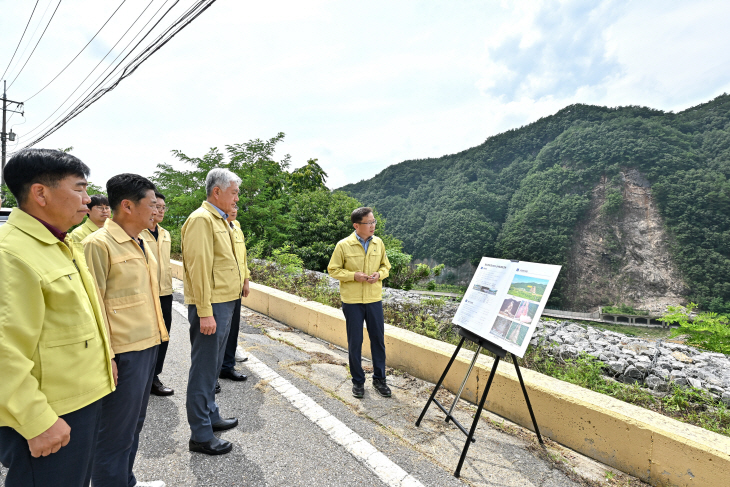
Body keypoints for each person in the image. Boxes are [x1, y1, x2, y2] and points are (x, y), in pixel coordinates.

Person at [0, 149, 116, 487]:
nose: (88, 198)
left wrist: (105, 358)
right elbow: (4, 349)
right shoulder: (12, 254)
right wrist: (37, 420)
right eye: (79, 188)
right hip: (52, 412)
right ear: (40, 193)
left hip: (81, 398)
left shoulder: (59, 242)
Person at [83, 174, 169, 487]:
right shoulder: (98, 244)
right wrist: (107, 357)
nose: (156, 210)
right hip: (123, 351)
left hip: (147, 344)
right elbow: (93, 308)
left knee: (134, 425)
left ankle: (125, 481)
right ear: (128, 206)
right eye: (151, 204)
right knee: (114, 433)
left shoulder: (142, 240)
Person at [181, 168, 243, 456]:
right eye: (234, 192)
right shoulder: (201, 220)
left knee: (214, 366)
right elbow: (199, 269)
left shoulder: (220, 220)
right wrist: (204, 311)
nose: (237, 197)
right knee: (204, 369)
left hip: (225, 301)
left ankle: (211, 415)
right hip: (212, 305)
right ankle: (201, 434)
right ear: (216, 191)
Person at [327, 207, 392, 399]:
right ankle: (358, 381)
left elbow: (386, 266)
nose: (372, 226)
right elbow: (333, 269)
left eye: (374, 222)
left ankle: (380, 379)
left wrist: (379, 274)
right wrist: (353, 276)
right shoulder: (343, 245)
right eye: (368, 223)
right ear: (357, 225)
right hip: (352, 301)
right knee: (355, 342)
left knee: (378, 341)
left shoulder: (378, 243)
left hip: (373, 300)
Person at [141, 192, 175, 397]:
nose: (160, 211)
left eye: (163, 208)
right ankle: (143, 377)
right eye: (157, 207)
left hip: (166, 292)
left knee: (164, 336)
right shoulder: (138, 233)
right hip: (147, 293)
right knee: (147, 336)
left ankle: (154, 377)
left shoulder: (165, 233)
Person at [219, 204, 251, 383]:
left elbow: (243, 258)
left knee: (232, 330)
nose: (234, 209)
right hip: (221, 289)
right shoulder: (216, 227)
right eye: (230, 206)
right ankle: (211, 375)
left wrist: (246, 281)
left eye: (236, 207)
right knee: (218, 334)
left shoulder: (237, 228)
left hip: (236, 288)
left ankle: (227, 367)